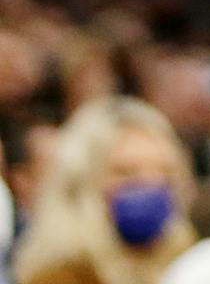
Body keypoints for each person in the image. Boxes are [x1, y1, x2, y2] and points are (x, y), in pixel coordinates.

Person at [13, 99, 197, 284]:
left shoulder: (192, 266)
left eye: (164, 171)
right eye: (126, 172)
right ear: (83, 184)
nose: (150, 183)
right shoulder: (58, 277)